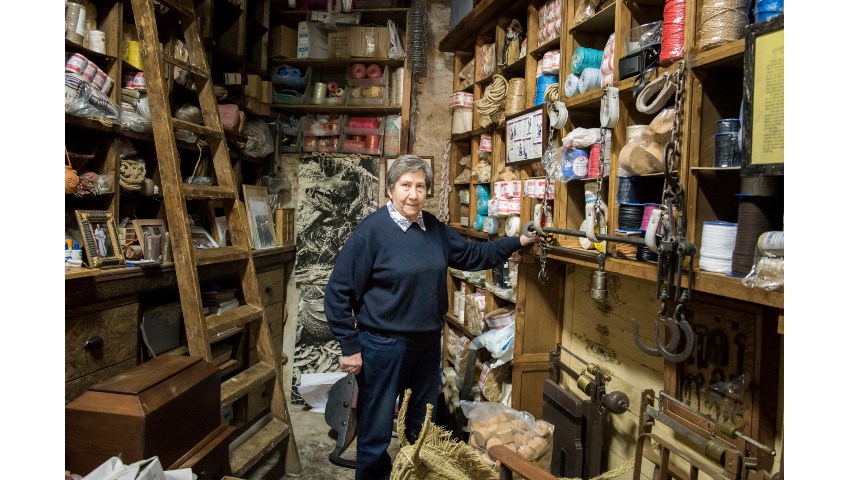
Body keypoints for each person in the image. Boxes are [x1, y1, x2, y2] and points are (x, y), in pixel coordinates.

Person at [323, 154, 541, 480]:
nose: (413, 194)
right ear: (390, 189)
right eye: (405, 186)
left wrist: (518, 241)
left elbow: (472, 254)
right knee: (376, 430)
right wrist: (350, 346)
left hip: (426, 346)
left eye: (420, 186)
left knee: (423, 426)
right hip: (383, 346)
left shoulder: (434, 229)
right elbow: (338, 292)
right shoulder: (371, 232)